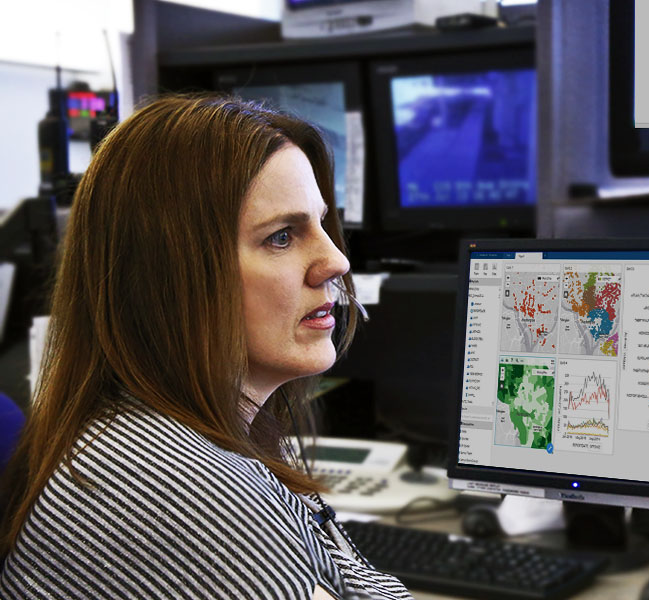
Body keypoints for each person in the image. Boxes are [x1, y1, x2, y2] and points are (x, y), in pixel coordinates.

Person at [0, 95, 411, 599]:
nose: (335, 261)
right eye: (282, 237)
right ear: (169, 280)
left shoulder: (164, 438)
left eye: (322, 224)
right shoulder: (173, 483)